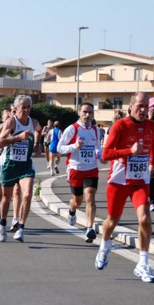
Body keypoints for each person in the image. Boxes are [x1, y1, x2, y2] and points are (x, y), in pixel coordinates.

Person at [96, 92, 154, 283]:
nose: (143, 109)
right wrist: (128, 151)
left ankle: (143, 264)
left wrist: (152, 162)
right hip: (119, 180)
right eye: (139, 105)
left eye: (145, 106)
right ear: (130, 107)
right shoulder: (120, 125)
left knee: (145, 219)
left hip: (140, 180)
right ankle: (105, 245)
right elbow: (105, 155)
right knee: (112, 221)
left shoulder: (152, 126)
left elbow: (151, 145)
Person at [0, 95, 42, 242]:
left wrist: (36, 144)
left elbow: (39, 130)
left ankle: (21, 227)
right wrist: (18, 137)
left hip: (25, 165)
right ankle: (2, 223)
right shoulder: (11, 122)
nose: (27, 110)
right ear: (16, 109)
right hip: (10, 164)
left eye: (29, 107)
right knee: (6, 198)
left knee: (27, 194)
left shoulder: (33, 122)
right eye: (24, 107)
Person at [57, 102, 104, 243]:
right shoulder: (72, 129)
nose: (87, 115)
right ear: (79, 112)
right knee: (77, 201)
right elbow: (59, 148)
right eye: (85, 112)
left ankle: (89, 228)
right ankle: (72, 210)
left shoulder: (95, 130)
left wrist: (101, 157)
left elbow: (97, 148)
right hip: (76, 169)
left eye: (90, 112)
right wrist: (74, 146)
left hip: (91, 168)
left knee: (90, 196)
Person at [0, 108, 21, 231]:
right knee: (3, 191)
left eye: (12, 114)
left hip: (17, 162)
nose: (10, 117)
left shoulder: (20, 125)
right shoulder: (1, 128)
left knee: (17, 191)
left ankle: (15, 219)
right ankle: (0, 206)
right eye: (6, 116)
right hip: (2, 163)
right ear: (2, 118)